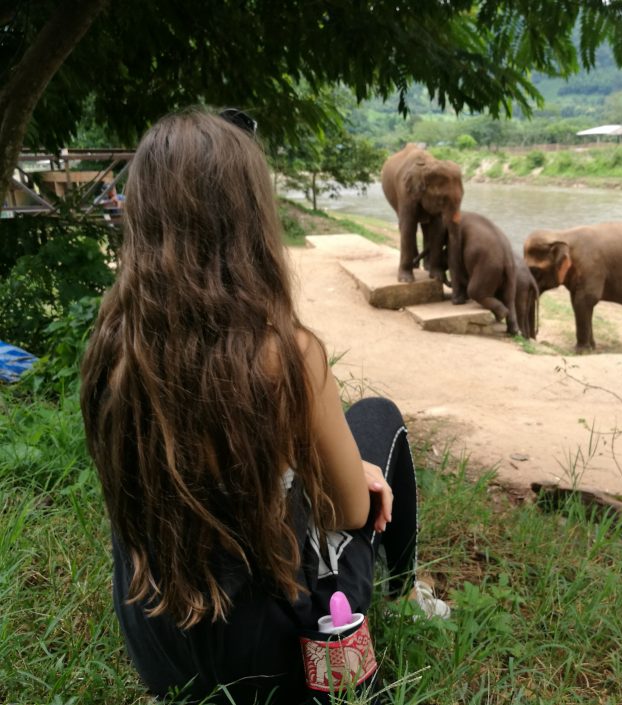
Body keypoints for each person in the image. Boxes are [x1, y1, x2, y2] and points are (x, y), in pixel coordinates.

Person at [80, 109, 445, 704]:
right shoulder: (287, 353)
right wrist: (354, 476)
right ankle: (405, 589)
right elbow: (352, 512)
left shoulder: (112, 343)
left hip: (161, 652)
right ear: (249, 214)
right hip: (270, 664)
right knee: (378, 417)